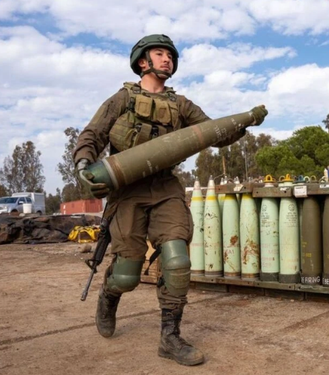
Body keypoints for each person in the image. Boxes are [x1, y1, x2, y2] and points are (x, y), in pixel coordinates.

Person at [73, 34, 248, 366]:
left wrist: (241, 125)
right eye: (160, 53)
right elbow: (92, 135)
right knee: (126, 274)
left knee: (177, 260)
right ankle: (109, 296)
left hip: (165, 188)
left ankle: (170, 338)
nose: (167, 59)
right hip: (126, 191)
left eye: (170, 55)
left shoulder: (181, 105)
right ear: (143, 61)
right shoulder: (121, 98)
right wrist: (83, 164)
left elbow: (212, 132)